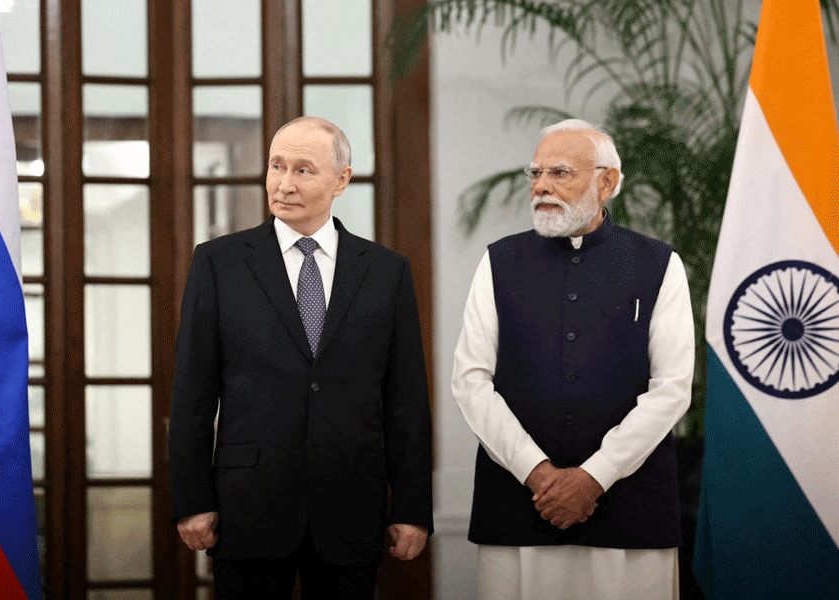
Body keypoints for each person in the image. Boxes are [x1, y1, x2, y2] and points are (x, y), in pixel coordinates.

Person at [169, 116, 433, 599]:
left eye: (304, 170)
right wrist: (191, 500)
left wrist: (412, 507)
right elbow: (192, 394)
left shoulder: (386, 272)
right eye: (276, 166)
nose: (284, 184)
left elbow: (407, 401)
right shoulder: (219, 264)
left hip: (351, 509)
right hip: (247, 509)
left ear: (341, 179)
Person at [451, 119, 694, 599]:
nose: (541, 185)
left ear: (607, 182)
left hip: (630, 507)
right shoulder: (499, 261)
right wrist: (538, 473)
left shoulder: (659, 264)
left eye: (560, 172)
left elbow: (671, 389)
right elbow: (471, 382)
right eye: (536, 173)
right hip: (522, 503)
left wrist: (594, 476)